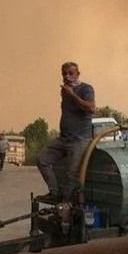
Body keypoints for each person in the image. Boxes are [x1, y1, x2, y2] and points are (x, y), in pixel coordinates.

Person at [37, 61, 95, 202]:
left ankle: (66, 205)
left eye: (71, 73)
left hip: (79, 140)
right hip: (64, 139)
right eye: (64, 74)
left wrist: (73, 95)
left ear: (78, 74)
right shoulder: (64, 90)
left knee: (71, 174)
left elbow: (91, 108)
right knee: (42, 160)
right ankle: (54, 193)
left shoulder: (86, 88)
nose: (67, 76)